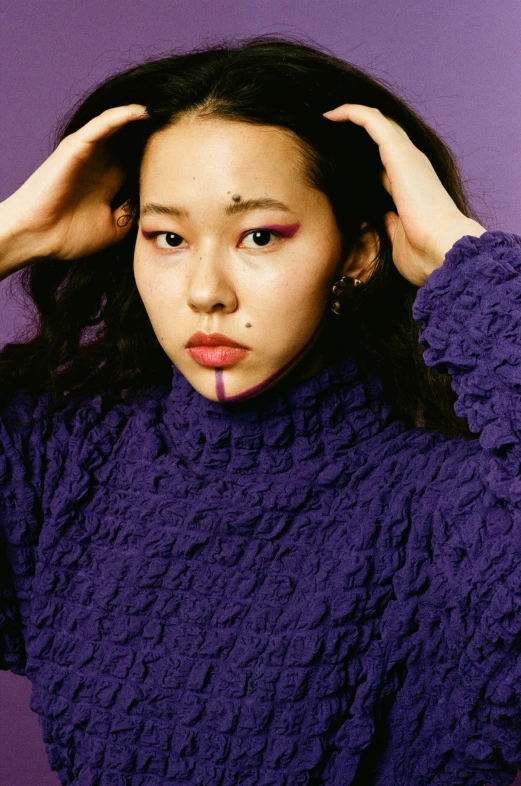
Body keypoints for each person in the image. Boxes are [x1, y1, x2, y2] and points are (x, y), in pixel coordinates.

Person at [0, 33, 519, 786]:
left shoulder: (446, 506)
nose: (207, 291)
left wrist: (460, 259)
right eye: (168, 236)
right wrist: (13, 232)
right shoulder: (64, 458)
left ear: (358, 253)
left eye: (259, 235)